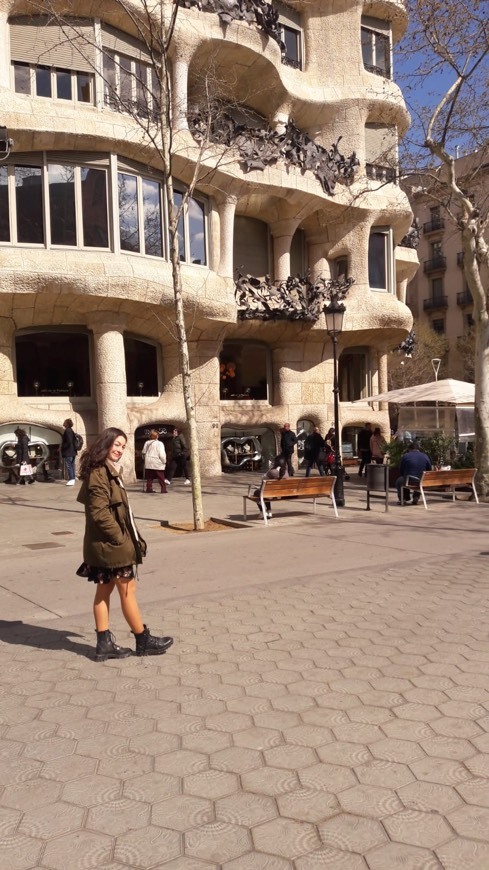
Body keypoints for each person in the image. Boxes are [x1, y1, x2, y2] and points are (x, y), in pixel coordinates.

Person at [76, 427, 174, 661]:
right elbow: (99, 513)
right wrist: (120, 540)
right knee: (128, 590)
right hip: (111, 546)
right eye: (116, 444)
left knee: (104, 590)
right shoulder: (100, 473)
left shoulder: (104, 471)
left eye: (123, 446)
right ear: (105, 444)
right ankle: (143, 639)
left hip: (103, 545)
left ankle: (104, 644)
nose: (119, 449)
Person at [396, 441, 432, 505]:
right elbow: (429, 469)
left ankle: (403, 498)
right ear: (418, 449)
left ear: (409, 449)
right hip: (421, 480)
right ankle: (416, 497)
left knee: (400, 480)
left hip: (409, 480)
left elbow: (401, 470)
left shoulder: (406, 456)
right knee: (418, 478)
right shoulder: (425, 456)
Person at [254, 454, 288, 519]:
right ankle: (269, 511)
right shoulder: (286, 472)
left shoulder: (272, 472)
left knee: (257, 493)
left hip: (270, 492)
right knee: (267, 493)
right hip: (282, 493)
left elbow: (263, 478)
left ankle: (262, 511)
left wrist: (270, 469)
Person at [61, 418, 77, 486]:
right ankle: (72, 478)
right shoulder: (71, 430)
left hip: (68, 451)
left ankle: (71, 479)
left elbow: (69, 441)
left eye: (64, 422)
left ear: (67, 423)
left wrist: (63, 447)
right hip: (72, 451)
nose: (63, 423)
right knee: (72, 465)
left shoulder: (67, 431)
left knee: (69, 466)